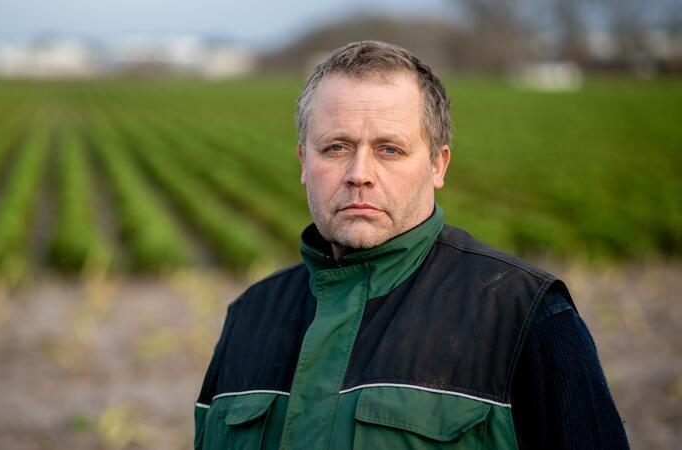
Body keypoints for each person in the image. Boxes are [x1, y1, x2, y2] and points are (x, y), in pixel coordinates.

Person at [193, 40, 630, 450]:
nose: (359, 173)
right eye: (336, 147)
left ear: (438, 165)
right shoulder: (249, 315)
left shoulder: (526, 316)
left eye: (389, 149)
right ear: (304, 162)